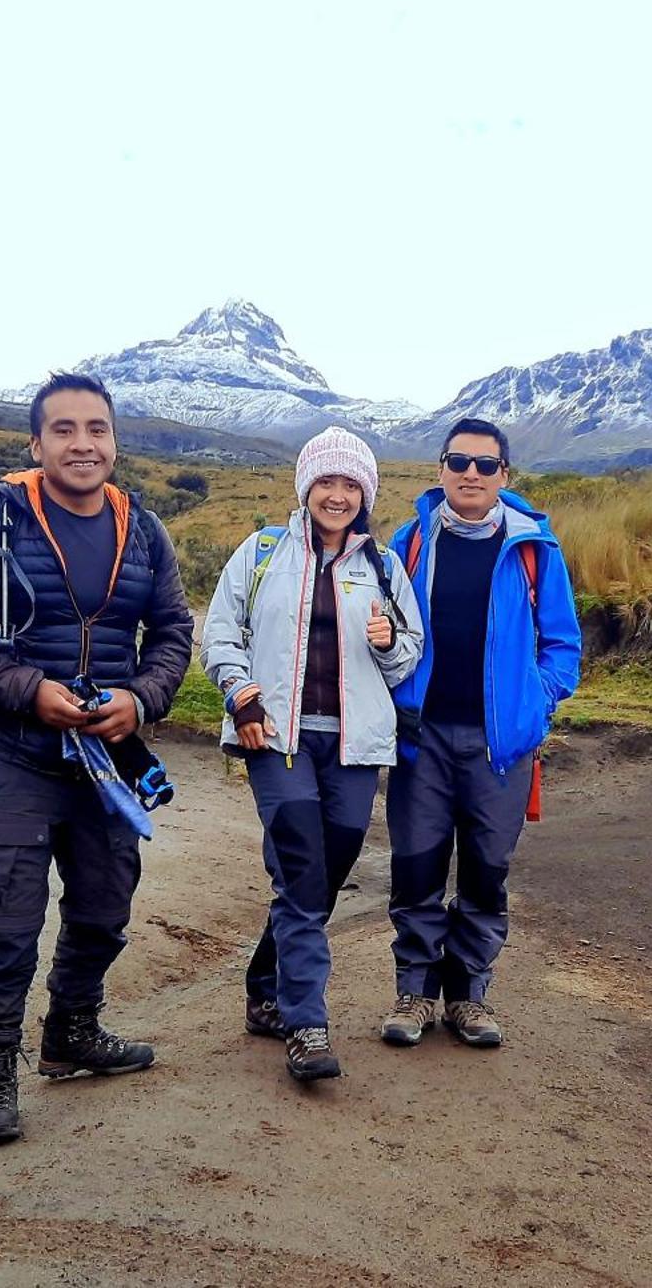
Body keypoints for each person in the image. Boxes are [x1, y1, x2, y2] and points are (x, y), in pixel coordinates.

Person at [0, 371, 194, 1147]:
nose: (83, 444)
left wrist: (140, 699)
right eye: (65, 429)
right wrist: (28, 689)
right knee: (8, 919)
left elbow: (173, 633)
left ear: (115, 439)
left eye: (97, 429)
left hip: (106, 759)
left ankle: (72, 1030)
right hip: (12, 748)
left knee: (106, 909)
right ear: (35, 443)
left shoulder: (143, 529)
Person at [201, 427, 424, 1082]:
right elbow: (218, 629)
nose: (338, 494)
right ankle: (306, 1023)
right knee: (302, 872)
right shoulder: (263, 551)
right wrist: (242, 693)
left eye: (350, 484)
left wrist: (388, 641)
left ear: (365, 494)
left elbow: (409, 653)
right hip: (276, 738)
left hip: (355, 747)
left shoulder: (381, 566)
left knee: (323, 878)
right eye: (327, 481)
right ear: (306, 488)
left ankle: (265, 988)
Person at [381, 416, 582, 1049]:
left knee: (486, 871)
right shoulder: (408, 544)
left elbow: (563, 645)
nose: (471, 474)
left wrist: (534, 702)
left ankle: (468, 996)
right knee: (416, 867)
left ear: (504, 476)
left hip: (500, 747)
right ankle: (414, 993)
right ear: (440, 470)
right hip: (423, 738)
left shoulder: (533, 550)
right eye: (459, 462)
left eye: (485, 465)